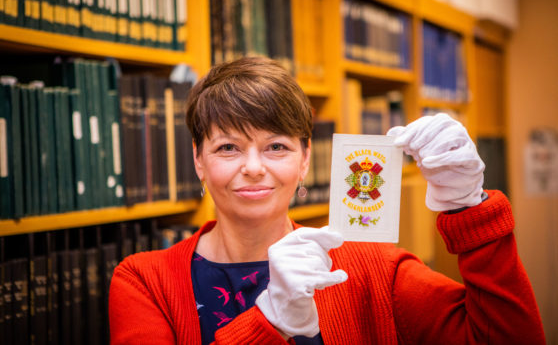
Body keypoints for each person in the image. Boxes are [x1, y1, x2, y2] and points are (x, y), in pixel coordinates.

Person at [109, 56, 545, 345]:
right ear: (199, 160)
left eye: (276, 147)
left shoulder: (375, 271)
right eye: (228, 148)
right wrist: (269, 321)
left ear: (304, 161)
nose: (255, 167)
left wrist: (468, 208)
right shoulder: (144, 281)